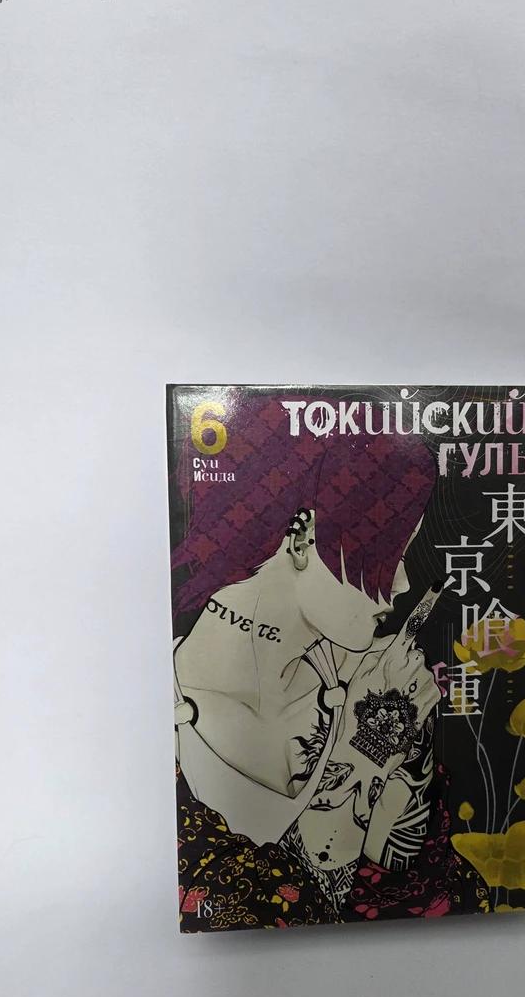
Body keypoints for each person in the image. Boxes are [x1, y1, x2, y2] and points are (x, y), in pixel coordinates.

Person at [170, 395, 487, 927]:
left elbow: (427, 890)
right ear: (303, 538)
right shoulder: (169, 708)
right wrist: (370, 752)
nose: (402, 584)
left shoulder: (373, 678)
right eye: (393, 554)